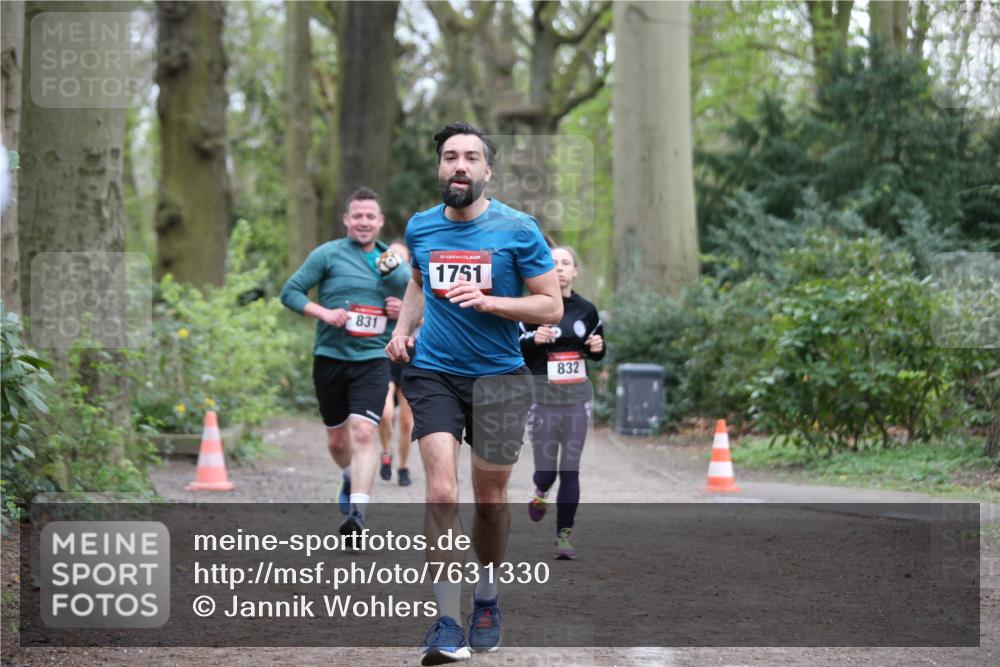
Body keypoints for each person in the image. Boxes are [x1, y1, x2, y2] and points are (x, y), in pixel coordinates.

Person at [386, 121, 562, 665]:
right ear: (440, 167)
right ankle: (445, 622)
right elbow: (419, 280)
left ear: (487, 170)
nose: (459, 165)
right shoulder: (421, 226)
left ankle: (486, 597)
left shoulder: (518, 229)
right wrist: (403, 330)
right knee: (442, 492)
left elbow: (550, 305)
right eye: (449, 157)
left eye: (470, 157)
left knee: (489, 502)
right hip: (434, 372)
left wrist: (492, 303)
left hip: (499, 378)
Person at [280, 187, 410, 537]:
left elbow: (418, 306)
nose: (364, 222)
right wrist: (323, 312)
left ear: (380, 222)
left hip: (373, 359)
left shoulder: (393, 265)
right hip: (331, 358)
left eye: (370, 216)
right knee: (338, 442)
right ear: (346, 220)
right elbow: (290, 292)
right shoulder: (328, 254)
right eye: (358, 216)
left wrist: (400, 311)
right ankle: (350, 475)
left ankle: (357, 514)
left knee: (364, 433)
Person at [518, 246, 605, 560]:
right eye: (553, 263)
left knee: (570, 469)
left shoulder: (587, 310)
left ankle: (563, 536)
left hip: (576, 401)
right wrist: (533, 340)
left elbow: (597, 350)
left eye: (566, 263)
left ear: (575, 271)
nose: (559, 268)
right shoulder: (532, 306)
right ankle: (540, 491)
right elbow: (514, 348)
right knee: (547, 472)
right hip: (542, 401)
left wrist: (597, 347)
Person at [379, 241, 416, 486]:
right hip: (383, 351)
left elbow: (431, 315)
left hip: (411, 353)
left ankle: (403, 467)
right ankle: (385, 452)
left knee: (406, 420)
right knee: (384, 413)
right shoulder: (377, 284)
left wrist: (405, 312)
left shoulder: (417, 284)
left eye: (400, 258)